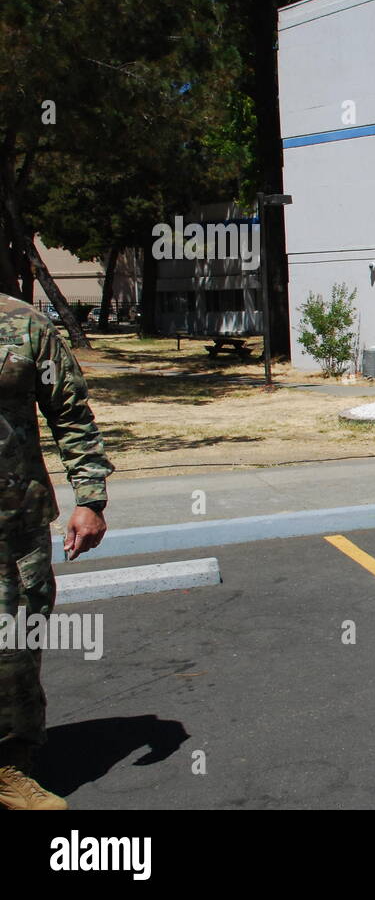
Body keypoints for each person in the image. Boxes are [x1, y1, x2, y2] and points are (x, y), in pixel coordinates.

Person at [0, 293, 113, 810]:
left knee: (15, 648)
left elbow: (69, 411)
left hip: (14, 524)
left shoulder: (24, 324)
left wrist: (90, 497)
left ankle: (10, 766)